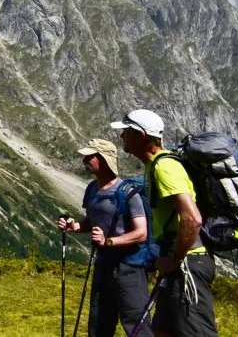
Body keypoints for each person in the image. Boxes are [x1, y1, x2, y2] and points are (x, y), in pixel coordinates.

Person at [113, 109, 217, 337]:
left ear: (141, 135)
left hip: (187, 263)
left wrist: (174, 259)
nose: (122, 137)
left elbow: (192, 218)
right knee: (162, 331)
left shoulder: (164, 167)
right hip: (179, 261)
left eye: (126, 132)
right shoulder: (156, 165)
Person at [57, 138, 152, 336]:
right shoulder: (92, 189)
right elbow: (92, 221)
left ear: (104, 159)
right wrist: (75, 226)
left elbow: (141, 233)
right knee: (99, 323)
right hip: (103, 264)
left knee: (136, 324)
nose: (84, 160)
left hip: (129, 266)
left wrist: (108, 242)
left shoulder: (128, 192)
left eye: (89, 156)